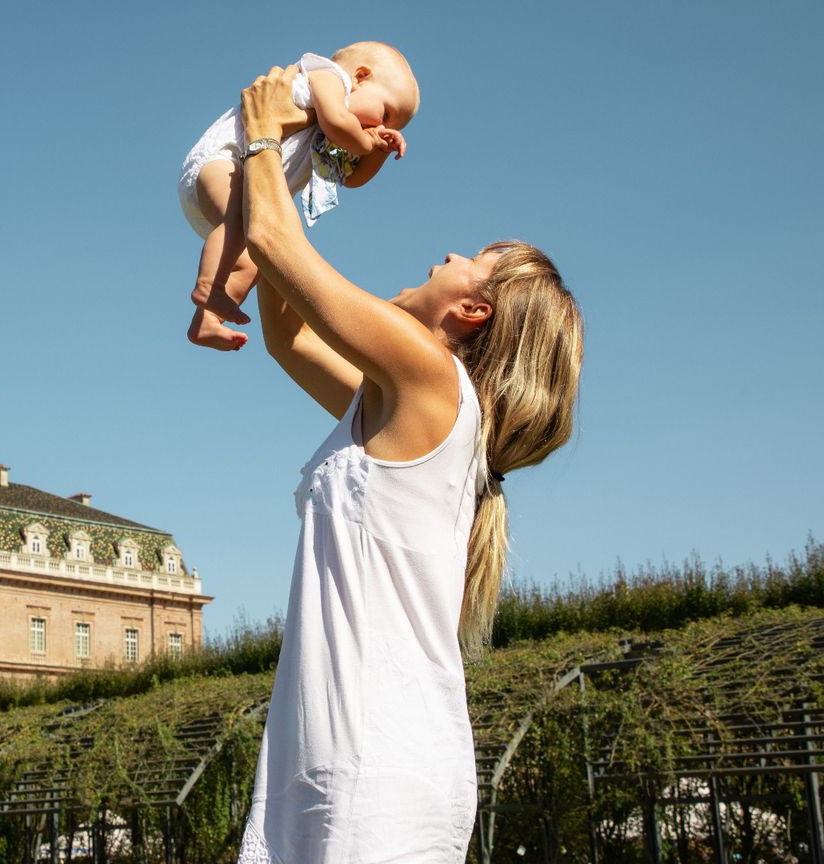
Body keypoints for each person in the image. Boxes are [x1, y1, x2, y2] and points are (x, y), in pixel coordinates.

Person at [230, 66, 584, 863]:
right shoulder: (404, 402)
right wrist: (310, 159)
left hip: (375, 775)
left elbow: (281, 251)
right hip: (337, 770)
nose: (451, 252)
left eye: (474, 259)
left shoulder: (433, 381)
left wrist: (262, 131)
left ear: (471, 311)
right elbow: (288, 330)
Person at [179, 42, 418, 351]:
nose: (380, 126)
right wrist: (368, 142)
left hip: (244, 185)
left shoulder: (338, 132)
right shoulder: (328, 78)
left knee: (256, 258)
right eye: (385, 113)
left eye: (389, 126)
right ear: (359, 77)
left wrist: (378, 153)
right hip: (221, 162)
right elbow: (337, 123)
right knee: (238, 223)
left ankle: (206, 320)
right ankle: (208, 285)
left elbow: (353, 179)